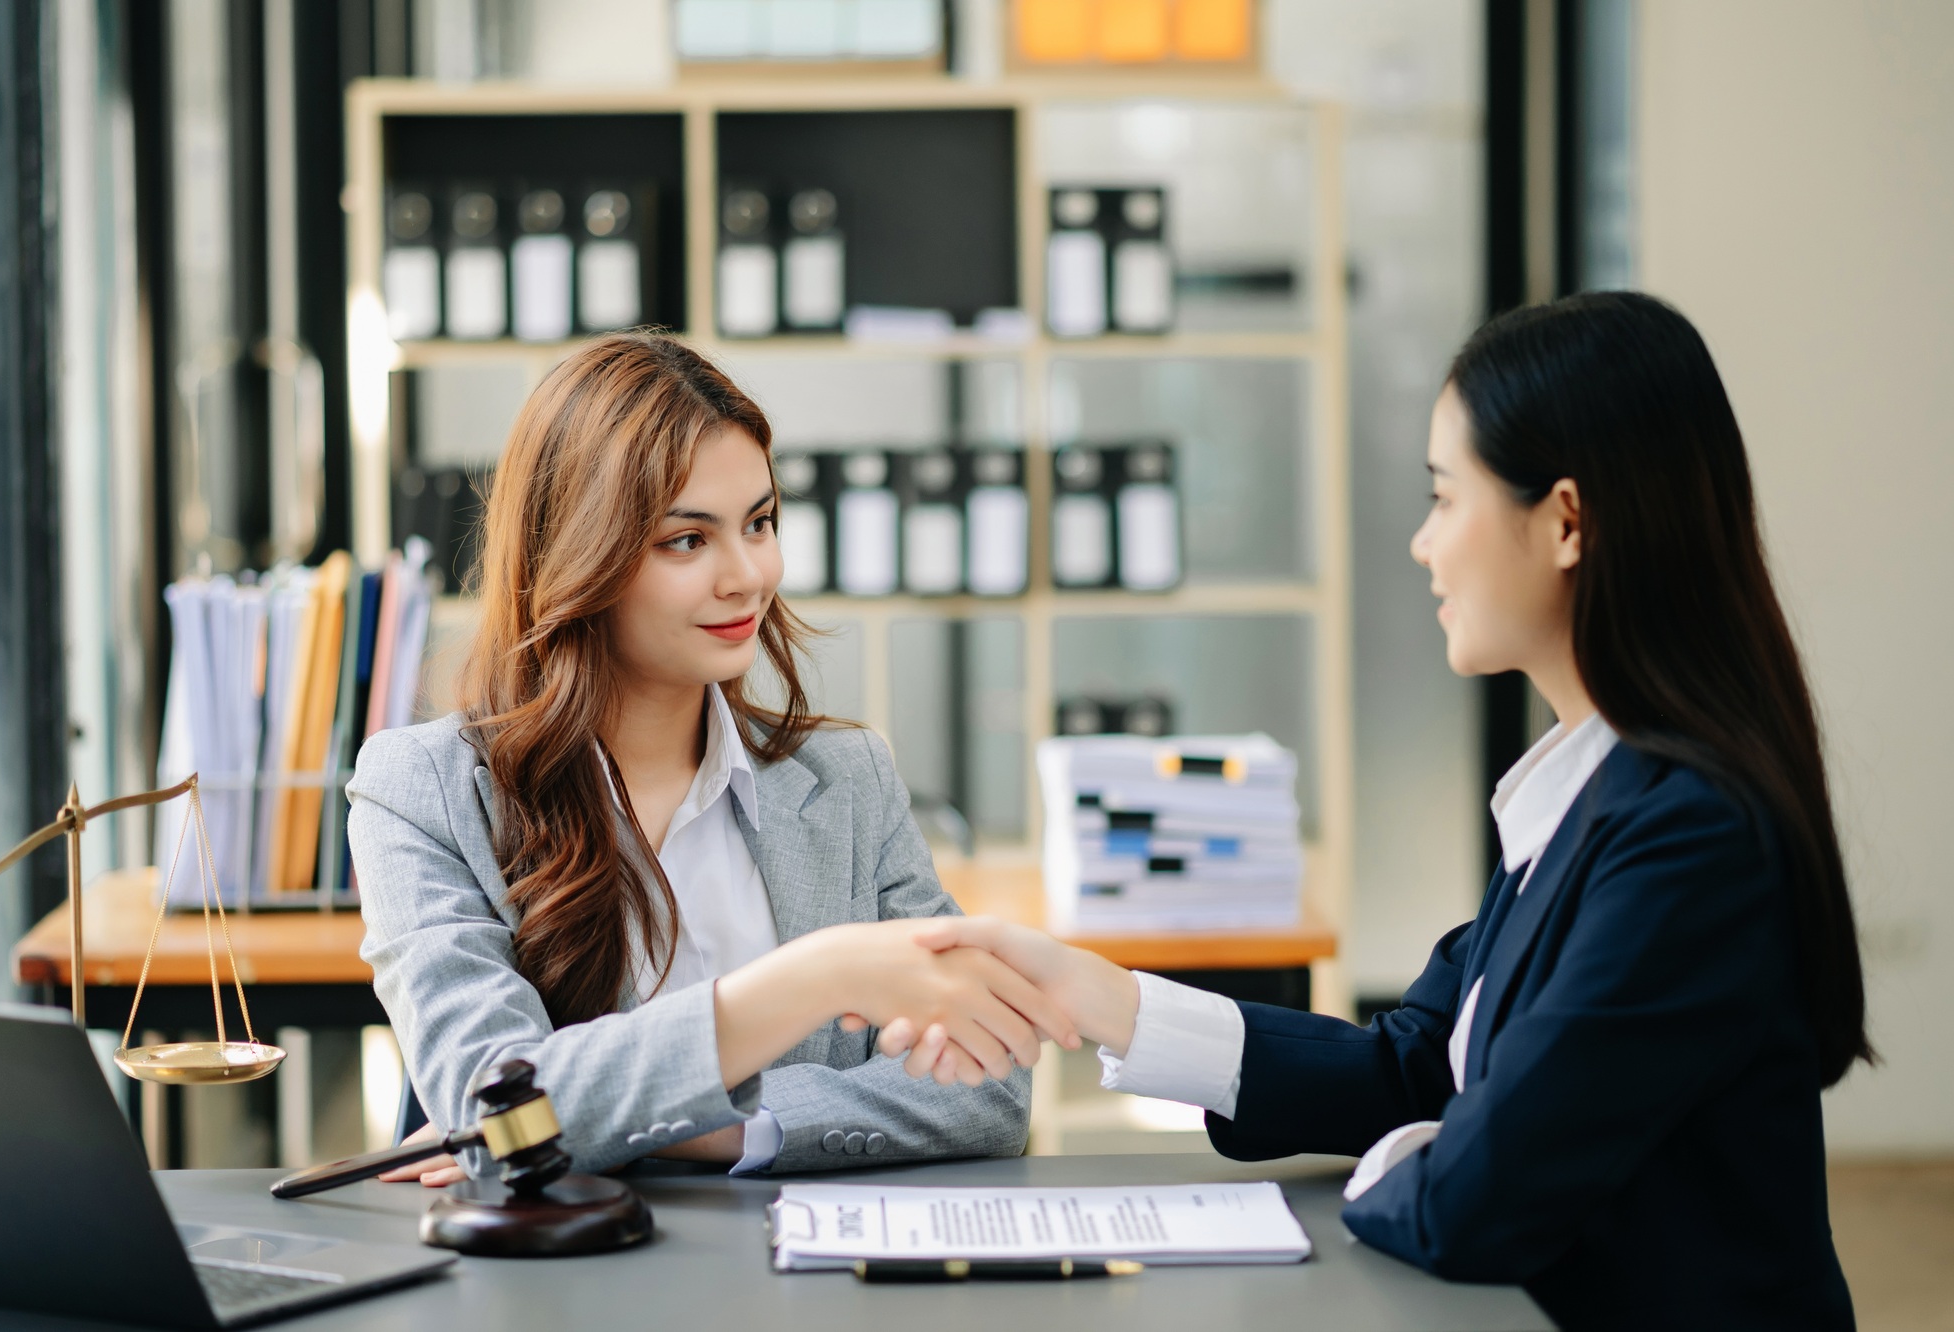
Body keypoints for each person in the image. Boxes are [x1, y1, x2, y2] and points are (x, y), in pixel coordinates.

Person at [907, 293, 1869, 1329]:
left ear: (1565, 522)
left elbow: (1478, 1195)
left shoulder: (1689, 835)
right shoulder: (1587, 795)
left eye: (1443, 499)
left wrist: (1426, 1155)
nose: (1421, 545)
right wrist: (1108, 1002)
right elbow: (1418, 1063)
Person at [347, 333, 1075, 1186]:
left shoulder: (847, 779)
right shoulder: (422, 790)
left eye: (760, 523)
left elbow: (989, 1088)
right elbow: (492, 1108)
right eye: (687, 540)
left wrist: (702, 1128)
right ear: (578, 555)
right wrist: (818, 979)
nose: (747, 576)